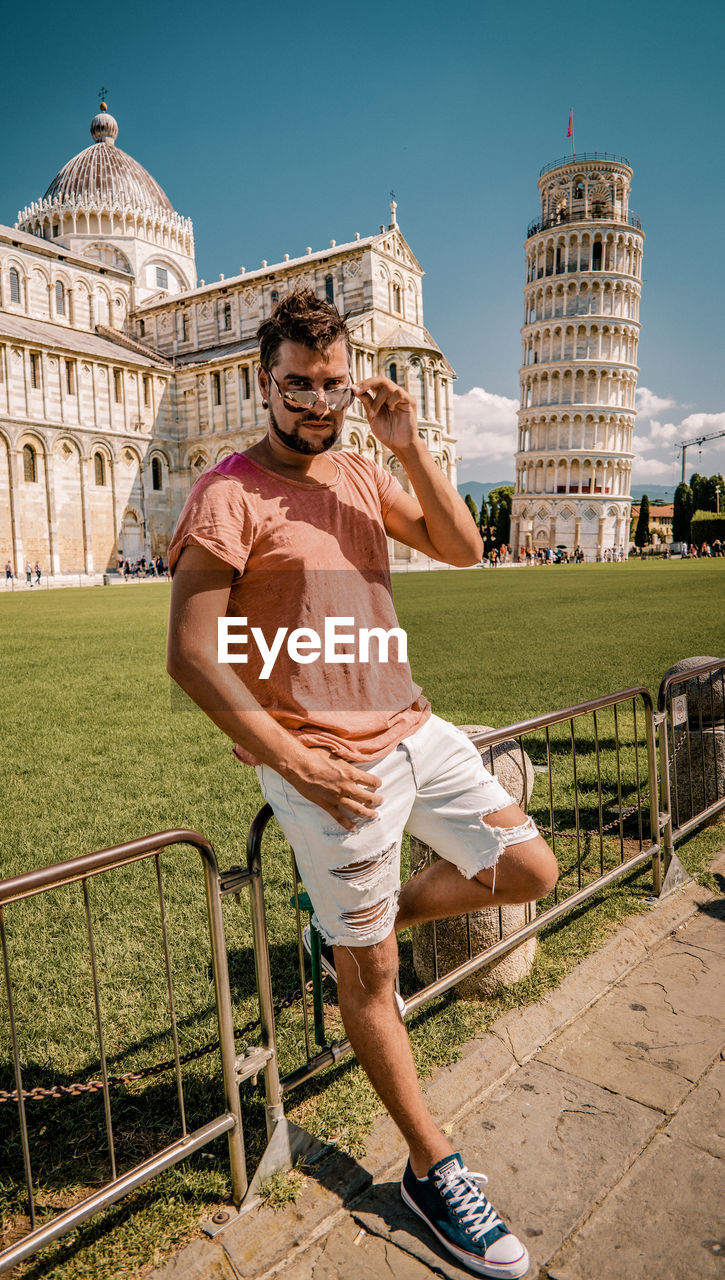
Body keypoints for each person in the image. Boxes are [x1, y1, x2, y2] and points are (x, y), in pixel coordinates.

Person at [167, 290, 557, 1280]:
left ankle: (343, 930)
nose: (314, 398)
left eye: (330, 382)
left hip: (412, 723)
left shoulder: (355, 466)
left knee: (529, 867)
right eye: (296, 382)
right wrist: (289, 758)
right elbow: (190, 654)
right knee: (374, 976)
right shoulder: (227, 493)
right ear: (265, 382)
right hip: (322, 761)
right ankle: (434, 1167)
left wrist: (408, 442)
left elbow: (466, 548)